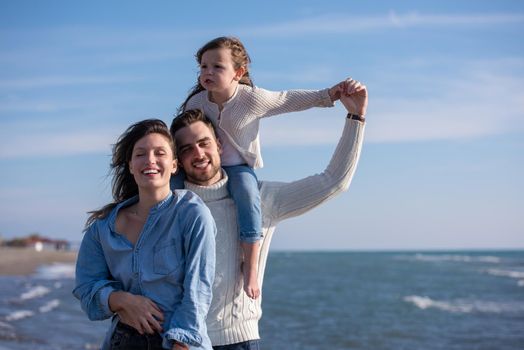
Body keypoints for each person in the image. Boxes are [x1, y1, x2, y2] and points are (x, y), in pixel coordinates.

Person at [170, 78, 367, 349]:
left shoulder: (260, 199)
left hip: (239, 340)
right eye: (187, 149)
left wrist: (356, 117)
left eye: (204, 143)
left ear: (219, 144)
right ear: (177, 159)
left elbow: (333, 182)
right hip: (182, 340)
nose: (199, 153)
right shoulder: (168, 205)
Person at [175, 36, 349, 300]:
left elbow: (288, 99)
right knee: (171, 187)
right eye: (203, 67)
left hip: (238, 167)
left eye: (217, 67)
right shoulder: (196, 103)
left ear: (238, 72)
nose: (207, 72)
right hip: (206, 167)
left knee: (247, 195)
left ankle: (252, 266)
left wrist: (328, 95)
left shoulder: (251, 99)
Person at [73, 119, 216, 350]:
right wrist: (121, 300)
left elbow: (198, 291)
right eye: (140, 154)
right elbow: (85, 288)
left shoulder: (192, 214)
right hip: (121, 342)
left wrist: (182, 342)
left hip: (178, 344)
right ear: (130, 166)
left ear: (174, 165)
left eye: (159, 153)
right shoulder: (102, 228)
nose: (150, 160)